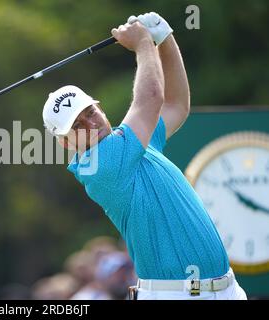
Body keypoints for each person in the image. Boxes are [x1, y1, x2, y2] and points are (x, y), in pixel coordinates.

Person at [42, 12, 247, 300]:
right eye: (77, 126)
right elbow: (151, 97)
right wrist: (143, 44)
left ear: (99, 107)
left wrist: (164, 38)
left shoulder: (134, 144)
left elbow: (177, 104)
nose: (91, 124)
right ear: (65, 144)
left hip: (226, 290)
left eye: (90, 112)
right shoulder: (100, 165)